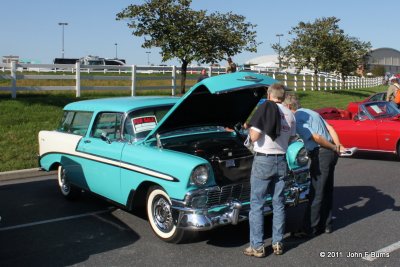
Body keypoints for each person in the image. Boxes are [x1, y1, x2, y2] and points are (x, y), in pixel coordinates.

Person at [243, 83, 296, 258]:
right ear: (283, 96)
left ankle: (257, 246)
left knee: (257, 204)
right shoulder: (290, 114)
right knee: (279, 203)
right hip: (281, 159)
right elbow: (291, 139)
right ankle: (278, 243)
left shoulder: (265, 108)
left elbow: (255, 136)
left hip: (263, 159)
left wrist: (249, 128)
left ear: (269, 94)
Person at [283, 93, 346, 237]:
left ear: (288, 106)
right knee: (327, 189)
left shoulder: (298, 118)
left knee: (316, 191)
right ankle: (327, 224)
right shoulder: (311, 112)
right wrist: (338, 145)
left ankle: (310, 228)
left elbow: (316, 137)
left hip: (322, 152)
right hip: (330, 153)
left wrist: (333, 147)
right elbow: (331, 128)